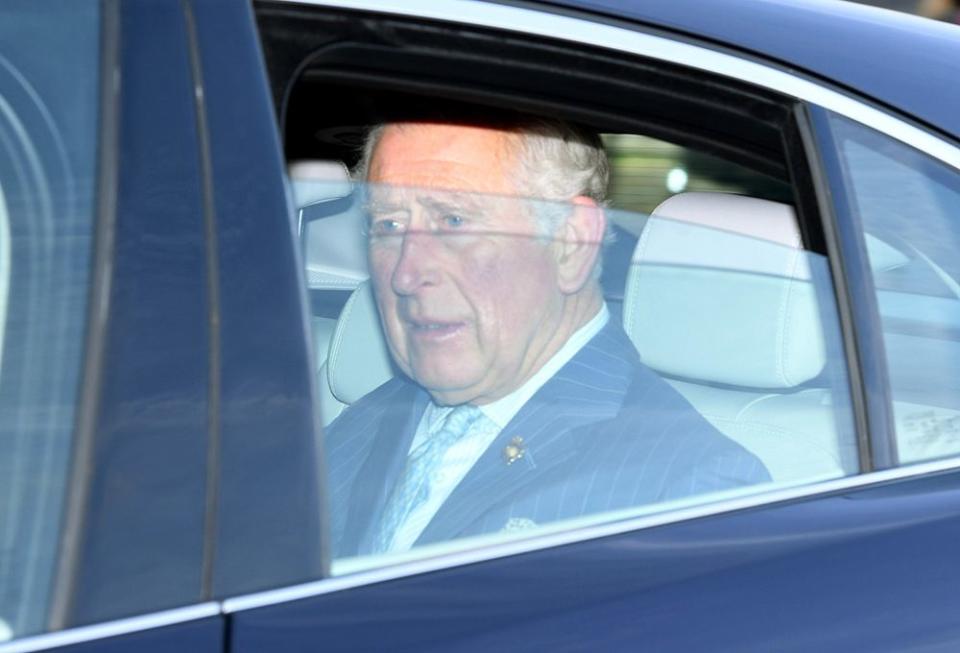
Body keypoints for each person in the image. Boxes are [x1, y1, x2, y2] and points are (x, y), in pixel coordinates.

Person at [325, 117, 770, 557]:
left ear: (572, 243)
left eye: (454, 220)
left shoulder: (689, 496)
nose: (405, 273)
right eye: (388, 225)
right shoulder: (363, 421)